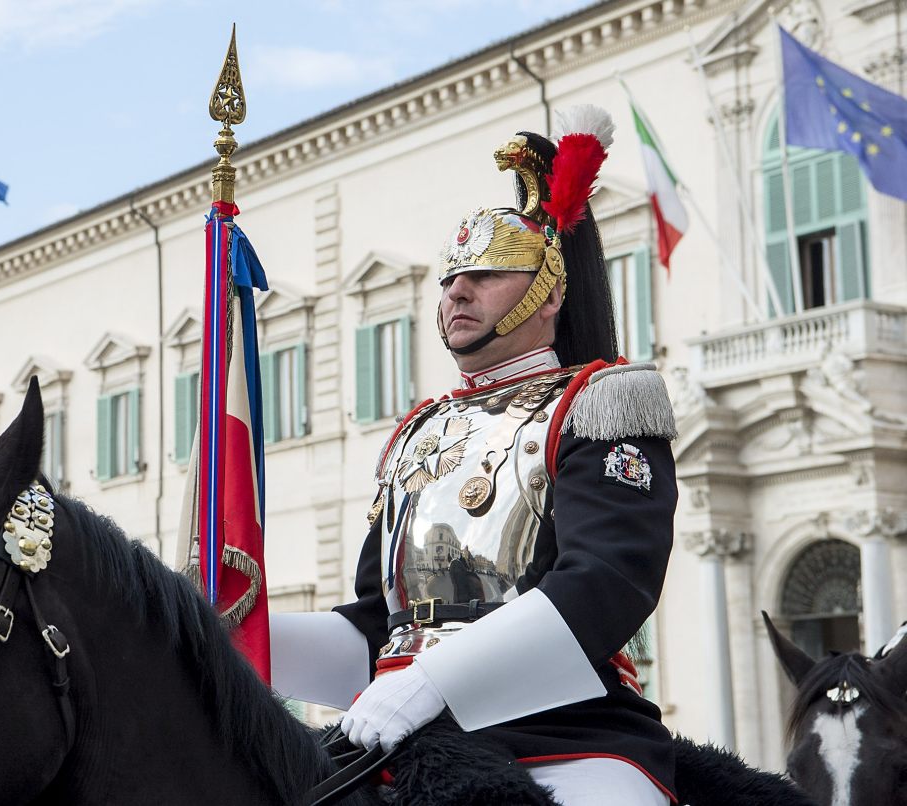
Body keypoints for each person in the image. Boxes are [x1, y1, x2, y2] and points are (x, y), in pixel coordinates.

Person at [271, 105, 679, 806]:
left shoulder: (602, 404)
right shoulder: (419, 431)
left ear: (549, 292)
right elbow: (378, 626)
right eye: (450, 277)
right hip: (396, 726)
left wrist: (434, 682)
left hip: (562, 731)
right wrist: (232, 633)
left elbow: (605, 584)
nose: (457, 289)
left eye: (487, 272)